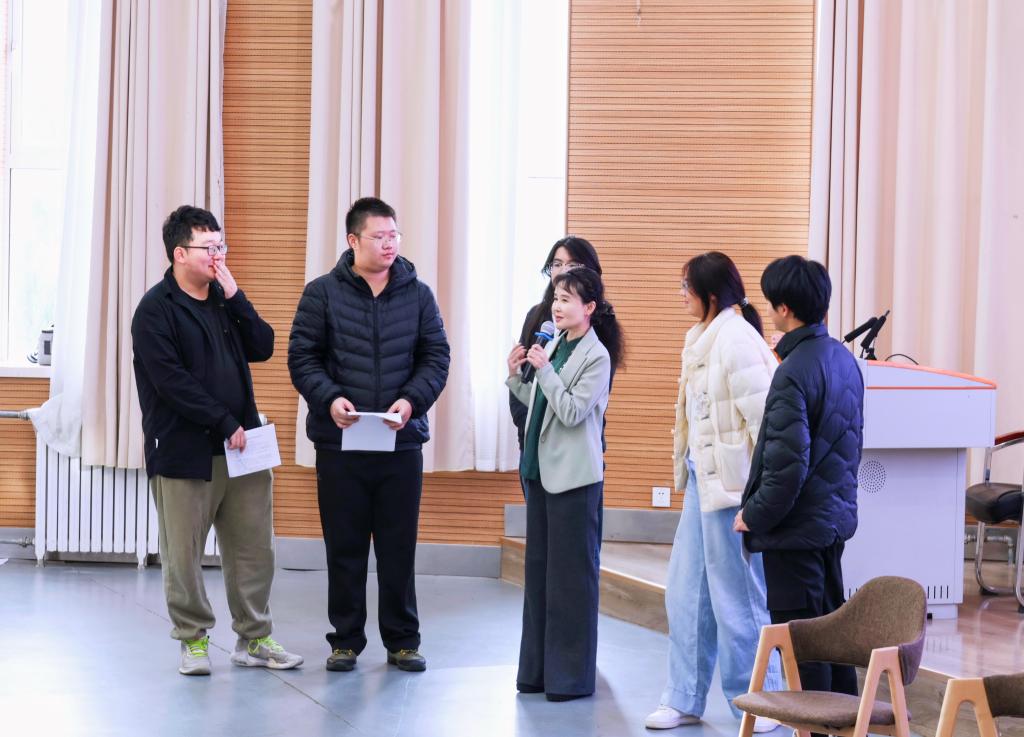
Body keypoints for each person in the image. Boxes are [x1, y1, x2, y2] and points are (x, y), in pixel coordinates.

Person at [131, 205, 302, 676]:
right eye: (209, 247)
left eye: (220, 245)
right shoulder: (154, 310)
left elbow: (263, 346)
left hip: (243, 447)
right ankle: (192, 640)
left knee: (253, 548)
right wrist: (224, 422)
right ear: (179, 253)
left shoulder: (224, 300)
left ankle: (254, 637)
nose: (218, 255)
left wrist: (236, 294)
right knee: (183, 554)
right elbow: (172, 382)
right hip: (184, 452)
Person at [288, 196, 450, 673]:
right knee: (345, 546)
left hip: (401, 442)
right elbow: (302, 358)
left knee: (399, 546)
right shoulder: (321, 294)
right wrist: (329, 399)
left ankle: (403, 641)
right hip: (341, 443)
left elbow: (436, 357)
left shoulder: (418, 295)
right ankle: (345, 641)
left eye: (394, 235)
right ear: (353, 241)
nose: (389, 244)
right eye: (379, 236)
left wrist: (412, 401)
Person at [645, 252, 781, 731]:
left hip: (735, 493)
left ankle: (762, 701)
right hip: (702, 485)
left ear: (711, 294)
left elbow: (769, 426)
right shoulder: (700, 337)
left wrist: (758, 501)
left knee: (738, 601)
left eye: (687, 287)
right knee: (686, 595)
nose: (681, 295)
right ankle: (683, 697)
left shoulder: (738, 340)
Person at [734, 255, 864, 697]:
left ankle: (811, 726)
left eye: (771, 302)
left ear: (785, 308)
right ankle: (846, 723)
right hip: (831, 523)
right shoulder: (843, 359)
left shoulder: (792, 373)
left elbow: (786, 468)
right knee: (832, 638)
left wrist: (753, 515)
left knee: (802, 648)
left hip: (796, 531)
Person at [506, 266, 624, 702]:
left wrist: (544, 372)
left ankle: (569, 678)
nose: (557, 307)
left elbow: (572, 412)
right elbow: (540, 404)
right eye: (556, 298)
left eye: (567, 299)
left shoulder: (597, 356)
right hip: (541, 474)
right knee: (538, 576)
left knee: (570, 582)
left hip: (574, 480)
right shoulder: (554, 343)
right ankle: (537, 673)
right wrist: (516, 375)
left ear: (589, 307)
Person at [509, 236, 603, 450]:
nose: (563, 271)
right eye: (557, 264)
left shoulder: (600, 333)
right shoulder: (538, 317)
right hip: (533, 438)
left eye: (573, 264)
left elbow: (580, 405)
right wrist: (527, 425)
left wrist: (544, 369)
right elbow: (529, 384)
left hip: (572, 448)